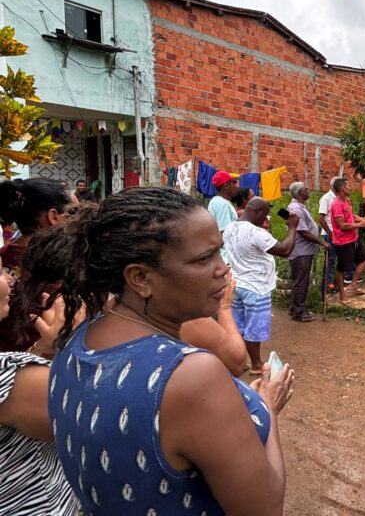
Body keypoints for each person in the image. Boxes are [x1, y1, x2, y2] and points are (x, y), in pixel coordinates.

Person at [21, 186, 295, 515]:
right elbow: (264, 510)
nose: (223, 269)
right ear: (140, 278)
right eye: (204, 258)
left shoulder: (77, 342)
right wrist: (269, 408)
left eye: (219, 253)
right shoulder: (191, 376)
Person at [0, 253, 80, 515]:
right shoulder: (14, 380)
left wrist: (44, 350)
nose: (8, 280)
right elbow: (99, 418)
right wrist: (79, 345)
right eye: (0, 272)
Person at [0, 178, 78, 351]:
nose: (77, 222)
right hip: (43, 363)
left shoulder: (3, 256)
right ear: (53, 216)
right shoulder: (63, 265)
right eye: (72, 213)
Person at [225, 197, 297, 373]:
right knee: (253, 329)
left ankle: (239, 362)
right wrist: (293, 228)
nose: (266, 219)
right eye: (265, 215)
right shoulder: (255, 233)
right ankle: (256, 364)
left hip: (237, 284)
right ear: (256, 211)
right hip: (257, 287)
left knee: (240, 327)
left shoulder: (229, 228)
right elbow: (285, 250)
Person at [287, 182, 330, 322]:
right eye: (306, 189)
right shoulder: (296, 208)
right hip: (301, 251)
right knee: (301, 281)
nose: (309, 190)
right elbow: (303, 232)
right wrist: (322, 242)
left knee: (299, 280)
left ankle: (294, 308)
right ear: (299, 192)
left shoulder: (299, 207)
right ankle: (299, 312)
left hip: (303, 250)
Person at [329, 177, 365, 305]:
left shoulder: (346, 201)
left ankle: (353, 285)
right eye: (348, 186)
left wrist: (363, 219)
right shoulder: (336, 204)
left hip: (353, 239)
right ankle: (342, 295)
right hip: (343, 242)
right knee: (341, 269)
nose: (350, 188)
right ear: (342, 189)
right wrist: (360, 225)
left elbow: (351, 216)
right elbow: (342, 225)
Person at [208, 170, 239, 263]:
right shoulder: (222, 204)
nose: (237, 186)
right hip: (226, 258)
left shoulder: (217, 202)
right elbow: (225, 234)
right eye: (234, 183)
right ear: (226, 186)